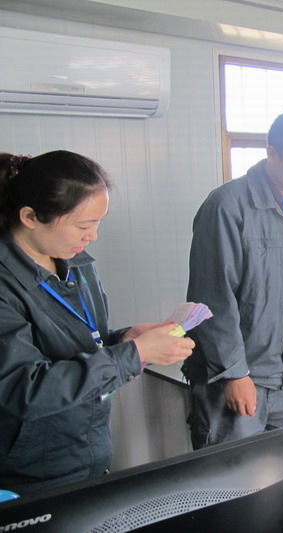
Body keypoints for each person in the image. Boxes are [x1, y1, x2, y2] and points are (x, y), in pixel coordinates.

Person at [0, 151, 195, 495]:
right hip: (30, 473)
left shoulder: (77, 263)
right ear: (30, 217)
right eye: (83, 226)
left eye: (98, 223)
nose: (93, 236)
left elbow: (81, 343)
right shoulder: (6, 284)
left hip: (88, 449)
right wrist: (133, 355)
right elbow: (25, 389)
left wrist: (124, 340)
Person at [183, 109, 283, 448]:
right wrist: (234, 373)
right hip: (237, 378)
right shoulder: (228, 206)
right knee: (233, 475)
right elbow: (212, 299)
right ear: (272, 153)